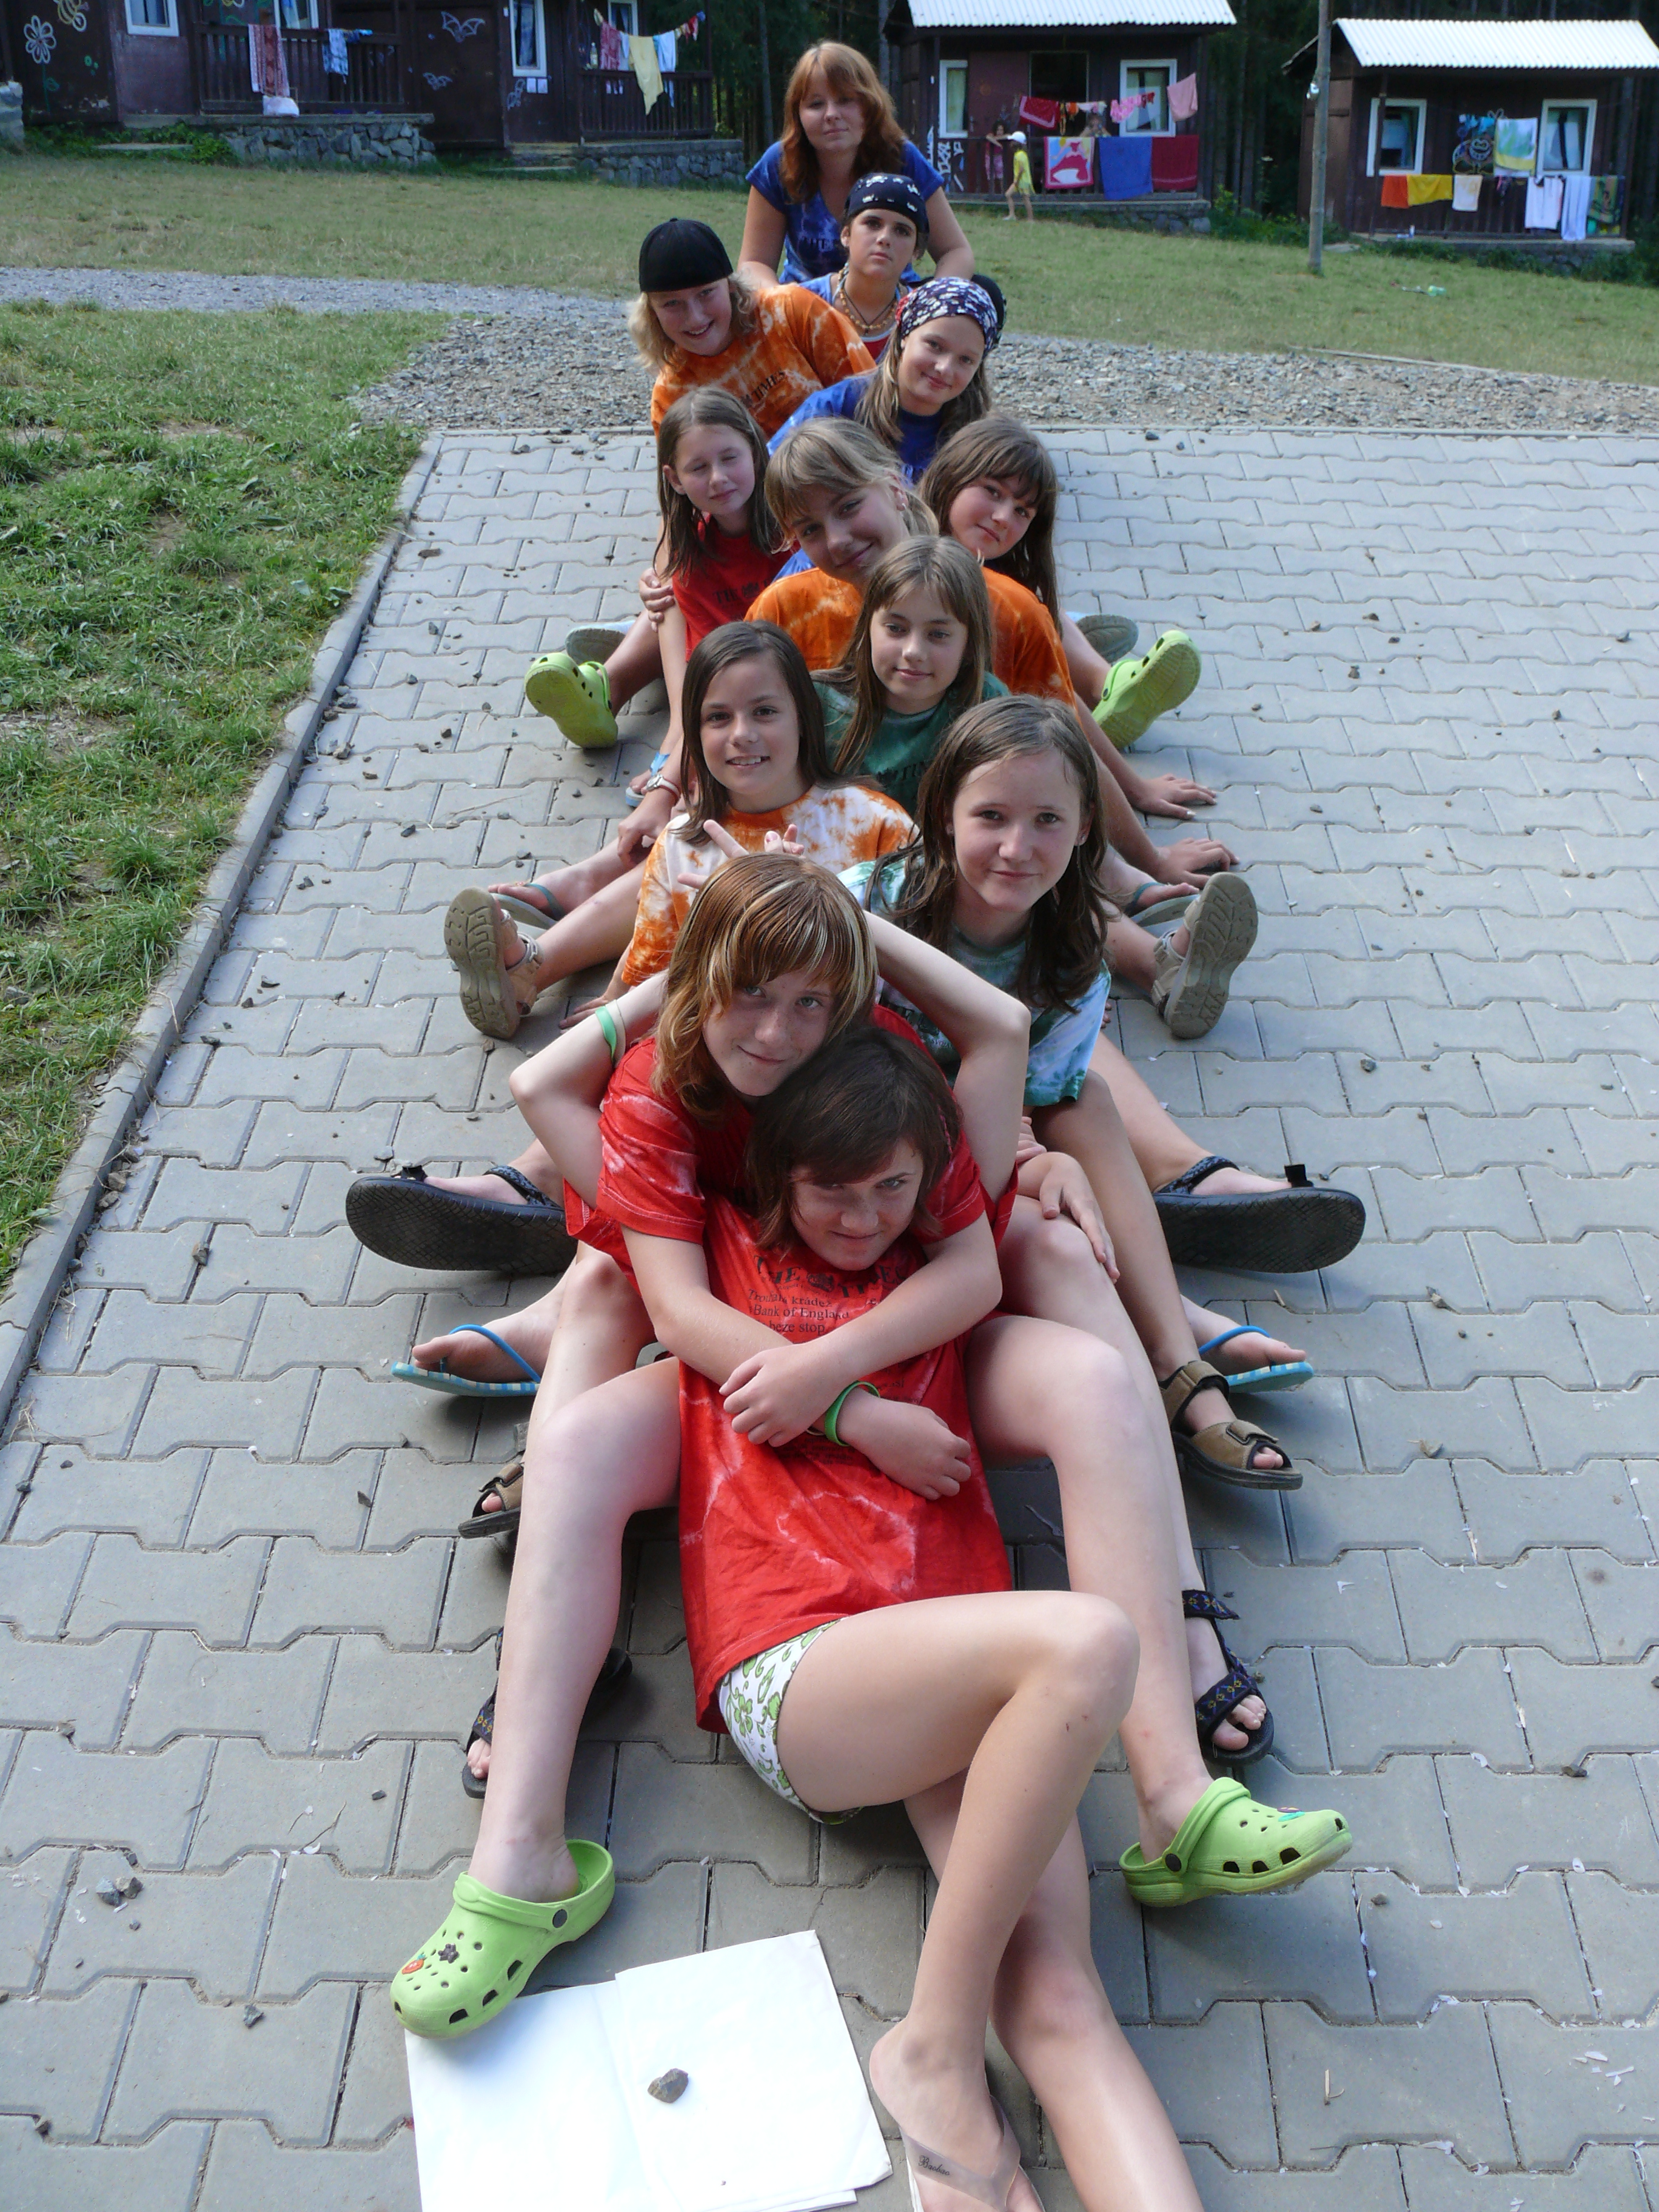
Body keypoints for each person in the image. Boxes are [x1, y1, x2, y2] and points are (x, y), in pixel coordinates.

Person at [389, 864, 1350, 2067]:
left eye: (811, 1001)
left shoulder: (873, 1058)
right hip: (745, 1369)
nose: (778, 1033)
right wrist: (841, 1406)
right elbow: (667, 1292)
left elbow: (994, 1057)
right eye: (751, 994)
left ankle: (1177, 1797)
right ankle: (519, 1854)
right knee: (580, 1427)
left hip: (908, 1353)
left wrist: (849, 930)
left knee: (1093, 1376)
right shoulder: (658, 1091)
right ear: (702, 980)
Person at [438, 623, 914, 1044]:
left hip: (844, 1048)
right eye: (718, 717)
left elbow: (916, 966)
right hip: (723, 1050)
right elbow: (654, 959)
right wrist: (615, 1005)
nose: (741, 734)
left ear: (804, 718)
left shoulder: (878, 824)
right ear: (694, 735)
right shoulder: (682, 842)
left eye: (765, 711)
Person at [518, 389, 789, 776]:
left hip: (791, 665)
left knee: (663, 598)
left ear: (756, 453)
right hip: (730, 659)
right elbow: (710, 658)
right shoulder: (689, 548)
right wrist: (686, 735)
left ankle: (614, 678)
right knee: (664, 595)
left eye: (730, 458)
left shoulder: (793, 523)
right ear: (674, 479)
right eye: (699, 468)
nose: (718, 478)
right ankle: (615, 693)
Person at [920, 414, 1205, 758]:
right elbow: (1058, 708)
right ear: (953, 473)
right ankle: (1097, 674)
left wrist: (1133, 784)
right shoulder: (912, 562)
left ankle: (1101, 678)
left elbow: (1062, 703)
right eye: (992, 491)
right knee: (1035, 620)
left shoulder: (1006, 583)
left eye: (1022, 512)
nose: (1003, 518)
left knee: (1040, 618)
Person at [739, 41, 972, 290]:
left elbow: (955, 252)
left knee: (983, 289)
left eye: (845, 100)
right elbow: (753, 264)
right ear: (798, 114)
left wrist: (930, 303)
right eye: (816, 104)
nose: (831, 114)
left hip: (894, 306)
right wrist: (781, 303)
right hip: (805, 307)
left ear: (870, 106)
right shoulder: (780, 163)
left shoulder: (901, 158)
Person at [631, 216, 874, 440]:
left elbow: (871, 400)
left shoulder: (792, 313)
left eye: (706, 293)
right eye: (672, 304)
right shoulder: (670, 396)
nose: (695, 318)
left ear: (731, 286)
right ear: (652, 312)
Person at [816, 535, 1007, 819]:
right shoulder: (820, 704)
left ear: (969, 644)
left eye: (938, 634)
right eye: (896, 628)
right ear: (868, 627)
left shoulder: (987, 703)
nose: (913, 651)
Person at [768, 276, 1000, 485]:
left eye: (966, 360)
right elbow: (772, 478)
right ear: (905, 334)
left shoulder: (979, 442)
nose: (945, 368)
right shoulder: (836, 408)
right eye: (935, 345)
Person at [794, 169, 925, 360]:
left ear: (916, 251)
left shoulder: (922, 317)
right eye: (873, 224)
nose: (885, 238)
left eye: (902, 231)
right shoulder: (802, 304)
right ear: (846, 235)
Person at [1005, 129, 1034, 220]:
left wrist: (1016, 181)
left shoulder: (1019, 155)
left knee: (1026, 199)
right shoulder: (1021, 154)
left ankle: (1030, 219)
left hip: (1021, 181)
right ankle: (1012, 215)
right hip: (1020, 181)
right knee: (1008, 195)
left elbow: (1021, 169)